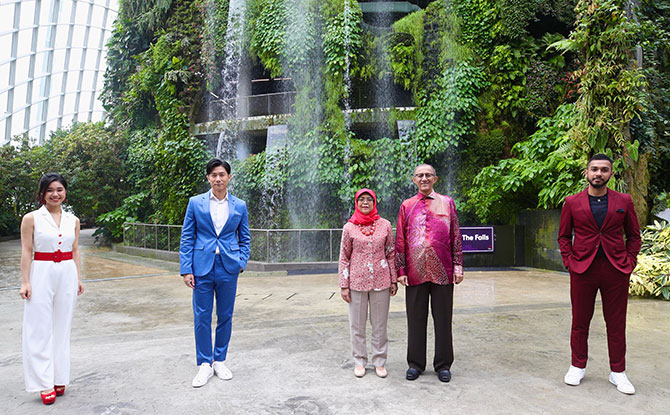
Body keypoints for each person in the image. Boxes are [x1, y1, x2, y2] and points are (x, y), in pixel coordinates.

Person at [558, 153, 641, 395]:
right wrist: (569, 262)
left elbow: (634, 236)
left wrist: (630, 261)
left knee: (616, 323)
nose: (598, 173)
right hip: (583, 269)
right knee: (580, 321)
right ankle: (577, 366)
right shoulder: (572, 202)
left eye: (604, 170)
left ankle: (618, 372)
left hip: (616, 269)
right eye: (594, 169)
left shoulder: (624, 201)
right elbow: (564, 236)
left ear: (611, 174)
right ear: (586, 172)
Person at [180, 158, 250, 388]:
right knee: (201, 316)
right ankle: (204, 364)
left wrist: (241, 262)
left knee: (226, 315)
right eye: (213, 175)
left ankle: (219, 360)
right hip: (201, 266)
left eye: (222, 175)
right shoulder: (195, 203)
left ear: (229, 177)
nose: (218, 179)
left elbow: (245, 237)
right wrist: (186, 269)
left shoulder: (239, 205)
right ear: (208, 178)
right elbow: (187, 237)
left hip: (228, 267)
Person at [395, 164, 463, 383]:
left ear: (435, 178)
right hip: (415, 271)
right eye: (420, 175)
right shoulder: (407, 205)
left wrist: (458, 266)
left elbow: (455, 236)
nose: (424, 178)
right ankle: (415, 364)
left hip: (443, 270)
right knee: (415, 319)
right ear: (414, 180)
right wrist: (401, 269)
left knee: (443, 319)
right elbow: (400, 241)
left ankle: (443, 365)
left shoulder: (447, 203)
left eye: (428, 175)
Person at [20, 173, 84, 405]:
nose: (55, 194)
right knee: (39, 328)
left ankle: (59, 377)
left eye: (59, 189)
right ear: (42, 194)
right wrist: (25, 281)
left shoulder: (73, 220)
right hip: (42, 272)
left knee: (62, 327)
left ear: (65, 193)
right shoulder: (32, 218)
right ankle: (43, 382)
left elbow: (75, 250)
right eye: (50, 190)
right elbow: (27, 251)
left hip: (67, 272)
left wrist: (78, 277)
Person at [338, 189, 400, 378]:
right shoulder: (349, 227)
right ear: (357, 203)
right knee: (357, 325)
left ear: (375, 202)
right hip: (356, 281)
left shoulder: (385, 225)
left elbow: (391, 253)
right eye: (362, 200)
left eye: (369, 199)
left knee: (380, 324)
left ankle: (379, 361)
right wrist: (344, 284)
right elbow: (344, 257)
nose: (365, 203)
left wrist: (393, 279)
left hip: (381, 280)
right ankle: (360, 361)